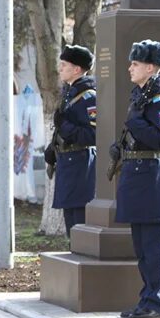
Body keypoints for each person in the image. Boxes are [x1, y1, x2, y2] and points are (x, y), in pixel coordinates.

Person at [114, 40, 160, 318]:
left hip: (152, 176)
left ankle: (156, 303)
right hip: (137, 175)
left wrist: (136, 124)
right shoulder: (141, 95)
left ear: (150, 67)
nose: (130, 68)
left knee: (154, 245)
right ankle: (147, 299)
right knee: (142, 246)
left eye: (136, 63)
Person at [45, 45, 97, 236]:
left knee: (79, 223)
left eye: (64, 65)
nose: (60, 68)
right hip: (68, 163)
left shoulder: (88, 97)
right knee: (71, 224)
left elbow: (93, 135)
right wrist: (53, 148)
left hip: (81, 165)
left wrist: (64, 126)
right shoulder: (70, 93)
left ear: (77, 69)